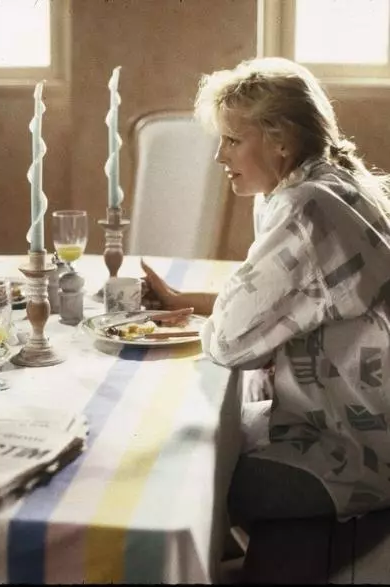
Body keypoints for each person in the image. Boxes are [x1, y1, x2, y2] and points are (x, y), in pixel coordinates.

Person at [141, 57, 390, 527]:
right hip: (351, 423)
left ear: (282, 141)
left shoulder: (304, 209)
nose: (220, 157)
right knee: (194, 437)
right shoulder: (332, 183)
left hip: (354, 452)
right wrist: (186, 302)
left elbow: (231, 343)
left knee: (177, 480)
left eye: (233, 140)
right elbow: (292, 304)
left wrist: (218, 315)